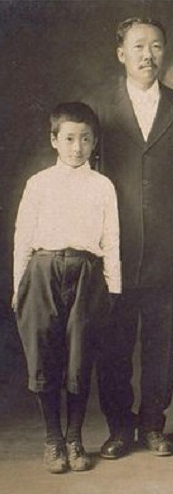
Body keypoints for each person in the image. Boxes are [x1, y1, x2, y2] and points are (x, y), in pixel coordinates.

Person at [88, 17, 173, 459]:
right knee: (114, 340)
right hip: (115, 247)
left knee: (162, 337)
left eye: (156, 46)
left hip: (167, 244)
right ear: (121, 53)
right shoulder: (100, 111)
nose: (148, 55)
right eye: (138, 46)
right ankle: (120, 427)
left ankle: (154, 424)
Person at [13, 102, 120, 473]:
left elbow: (112, 240)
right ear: (54, 140)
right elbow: (22, 239)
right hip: (42, 272)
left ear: (94, 143)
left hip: (87, 274)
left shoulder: (102, 185)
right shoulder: (39, 183)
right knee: (45, 356)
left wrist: (114, 289)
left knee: (79, 356)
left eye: (85, 139)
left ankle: (75, 438)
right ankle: (53, 439)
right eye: (70, 138)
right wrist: (19, 288)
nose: (77, 147)